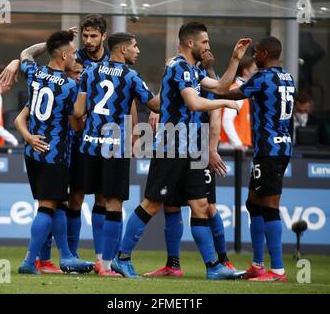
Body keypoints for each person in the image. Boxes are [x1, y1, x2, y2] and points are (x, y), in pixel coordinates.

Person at [111, 22, 251, 279]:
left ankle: (213, 268)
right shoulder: (177, 67)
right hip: (172, 146)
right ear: (191, 43)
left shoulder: (191, 70)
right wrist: (226, 103)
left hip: (191, 149)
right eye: (205, 42)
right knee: (152, 204)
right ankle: (121, 258)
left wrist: (234, 60)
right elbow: (194, 103)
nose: (207, 47)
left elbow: (221, 86)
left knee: (200, 205)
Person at [144, 50, 239, 278]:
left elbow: (215, 114)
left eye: (208, 44)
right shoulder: (183, 71)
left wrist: (211, 150)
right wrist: (158, 108)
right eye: (203, 43)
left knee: (208, 207)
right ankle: (173, 264)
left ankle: (223, 261)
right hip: (178, 148)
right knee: (172, 207)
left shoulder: (204, 79)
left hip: (199, 150)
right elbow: (167, 97)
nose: (206, 49)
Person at [73, 32, 160, 277]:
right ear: (122, 50)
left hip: (89, 145)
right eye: (135, 46)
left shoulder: (89, 72)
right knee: (114, 204)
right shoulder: (131, 76)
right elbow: (155, 105)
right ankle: (109, 266)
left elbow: (78, 110)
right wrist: (174, 85)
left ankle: (99, 259)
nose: (138, 50)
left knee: (98, 200)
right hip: (114, 147)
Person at [216, 36, 295, 282]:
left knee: (269, 207)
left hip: (270, 150)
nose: (254, 57)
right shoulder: (288, 77)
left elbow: (227, 92)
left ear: (262, 53)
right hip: (278, 148)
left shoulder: (262, 78)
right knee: (254, 204)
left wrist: (203, 81)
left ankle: (278, 270)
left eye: (256, 53)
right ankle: (258, 265)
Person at [14, 30, 93, 274]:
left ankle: (67, 256)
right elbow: (78, 115)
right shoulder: (70, 86)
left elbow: (26, 53)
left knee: (59, 203)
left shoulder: (34, 72)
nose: (73, 57)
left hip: (34, 151)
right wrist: (86, 84)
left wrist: (49, 42)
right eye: (70, 53)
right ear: (62, 55)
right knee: (47, 207)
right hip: (54, 153)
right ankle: (29, 261)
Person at [220, 55, 256, 150]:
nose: (256, 73)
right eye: (254, 70)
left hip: (236, 146)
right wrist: (237, 144)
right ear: (245, 71)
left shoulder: (240, 90)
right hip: (232, 148)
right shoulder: (237, 91)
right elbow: (227, 120)